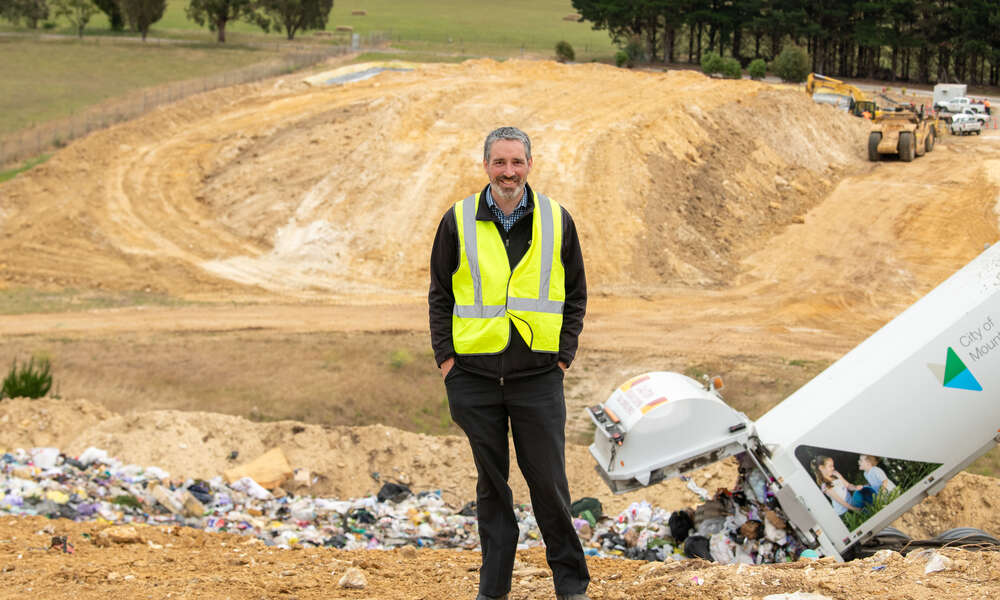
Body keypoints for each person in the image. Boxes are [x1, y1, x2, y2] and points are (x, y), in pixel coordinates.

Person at [428, 126, 590, 600]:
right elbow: (440, 295)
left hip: (538, 379)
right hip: (474, 380)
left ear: (529, 165)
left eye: (516, 163)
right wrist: (447, 362)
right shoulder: (458, 220)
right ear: (485, 166)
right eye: (499, 163)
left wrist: (563, 356)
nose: (508, 172)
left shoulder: (557, 220)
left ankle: (571, 586)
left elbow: (576, 293)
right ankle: (493, 590)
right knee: (492, 490)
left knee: (550, 487)